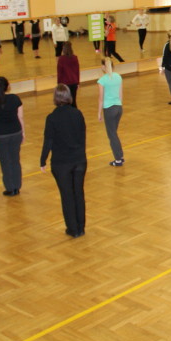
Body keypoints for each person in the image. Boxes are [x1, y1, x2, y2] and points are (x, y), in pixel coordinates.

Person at [40, 85, 87, 238]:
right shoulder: (77, 113)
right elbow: (83, 136)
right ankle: (81, 226)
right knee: (78, 193)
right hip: (79, 160)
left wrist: (43, 160)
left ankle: (73, 229)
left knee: (67, 196)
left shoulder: (52, 118)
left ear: (55, 98)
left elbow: (48, 141)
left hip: (62, 163)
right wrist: (81, 155)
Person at [0, 77, 24, 195]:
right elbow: (20, 117)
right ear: (8, 87)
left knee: (5, 162)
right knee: (15, 160)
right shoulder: (15, 99)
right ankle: (17, 187)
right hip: (15, 133)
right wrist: (23, 132)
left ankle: (9, 188)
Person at [97, 57, 124, 167]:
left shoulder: (102, 80)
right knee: (114, 133)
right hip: (118, 108)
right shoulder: (118, 77)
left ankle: (118, 159)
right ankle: (120, 156)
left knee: (112, 135)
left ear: (103, 67)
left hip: (109, 109)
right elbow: (121, 94)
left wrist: (99, 113)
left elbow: (101, 98)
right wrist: (120, 106)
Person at [57, 41, 80, 107]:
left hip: (65, 84)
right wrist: (78, 82)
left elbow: (59, 73)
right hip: (74, 83)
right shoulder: (75, 57)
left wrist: (59, 84)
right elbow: (77, 71)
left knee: (65, 102)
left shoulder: (61, 59)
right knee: (73, 101)